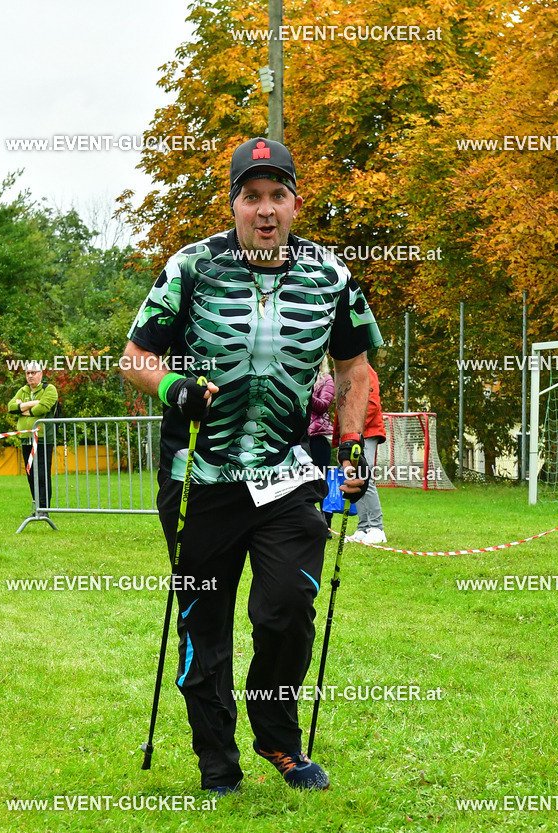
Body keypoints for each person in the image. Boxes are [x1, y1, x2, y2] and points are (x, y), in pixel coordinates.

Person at [121, 137, 382, 796]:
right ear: (234, 203)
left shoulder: (330, 276)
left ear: (295, 202)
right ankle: (217, 761)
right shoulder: (190, 267)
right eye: (251, 196)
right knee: (201, 621)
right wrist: (173, 387)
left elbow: (354, 369)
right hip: (199, 479)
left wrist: (350, 450)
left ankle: (278, 738)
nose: (264, 210)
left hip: (290, 475)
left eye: (277, 196)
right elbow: (134, 357)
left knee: (287, 605)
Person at [335, 363, 387, 544]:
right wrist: (341, 440)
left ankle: (376, 527)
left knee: (365, 476)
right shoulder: (343, 371)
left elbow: (371, 402)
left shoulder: (362, 368)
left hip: (367, 432)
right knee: (356, 478)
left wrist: (354, 432)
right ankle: (363, 527)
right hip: (353, 435)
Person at [7, 362, 58, 509]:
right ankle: (37, 506)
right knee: (30, 474)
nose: (30, 376)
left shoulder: (49, 389)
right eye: (28, 373)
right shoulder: (22, 390)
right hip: (26, 438)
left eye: (33, 372)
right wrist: (32, 403)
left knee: (42, 474)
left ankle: (44, 508)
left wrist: (22, 407)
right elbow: (11, 407)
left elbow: (42, 408)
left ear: (41, 374)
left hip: (42, 438)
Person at [308, 356, 335, 533]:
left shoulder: (327, 379)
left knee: (320, 479)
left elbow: (323, 405)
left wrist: (305, 392)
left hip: (318, 437)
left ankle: (326, 522)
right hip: (299, 435)